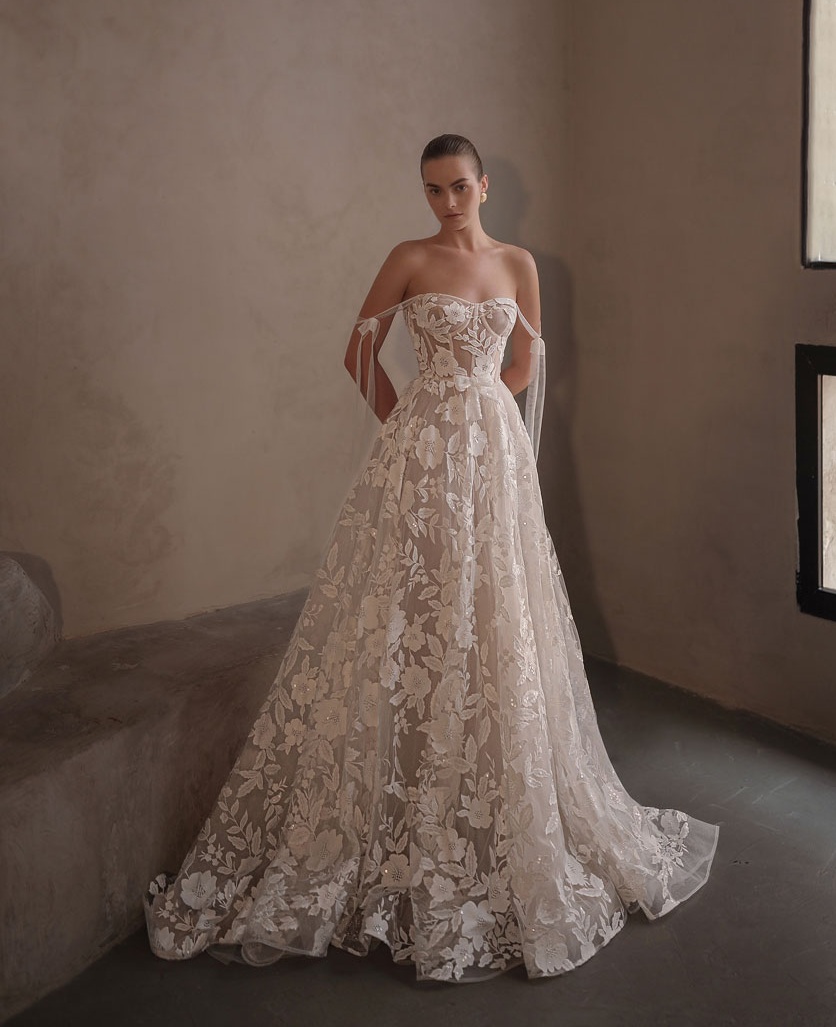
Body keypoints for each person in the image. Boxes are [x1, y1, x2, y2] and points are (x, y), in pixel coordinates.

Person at [144, 133, 719, 983]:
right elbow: (358, 354)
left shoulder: (519, 263)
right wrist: (413, 428)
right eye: (432, 191)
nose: (446, 204)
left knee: (496, 615)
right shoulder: (408, 259)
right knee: (407, 621)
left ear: (485, 185)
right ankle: (400, 793)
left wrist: (482, 414)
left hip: (493, 461)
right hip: (421, 457)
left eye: (458, 188)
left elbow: (526, 362)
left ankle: (489, 797)